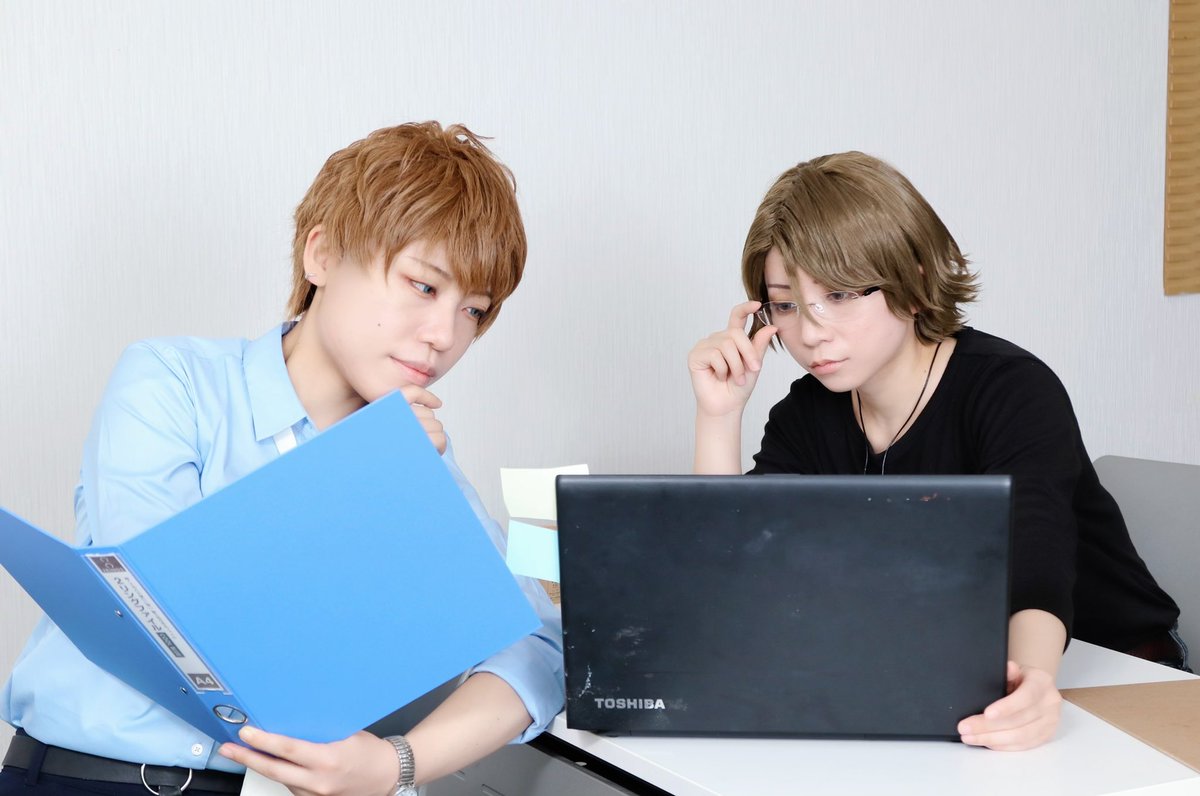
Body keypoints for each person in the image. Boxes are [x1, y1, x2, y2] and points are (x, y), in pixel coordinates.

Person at [1, 122, 564, 795]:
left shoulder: (416, 461)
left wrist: (394, 765)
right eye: (423, 286)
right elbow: (164, 607)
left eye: (473, 310)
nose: (444, 335)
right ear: (321, 255)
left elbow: (536, 648)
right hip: (86, 777)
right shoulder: (173, 381)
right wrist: (361, 476)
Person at [687, 151, 1186, 752]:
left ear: (914, 282)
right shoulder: (806, 413)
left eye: (840, 294)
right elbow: (739, 578)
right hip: (940, 674)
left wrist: (1029, 683)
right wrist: (720, 416)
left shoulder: (1011, 390)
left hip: (1110, 672)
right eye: (787, 304)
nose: (812, 331)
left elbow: (1036, 568)